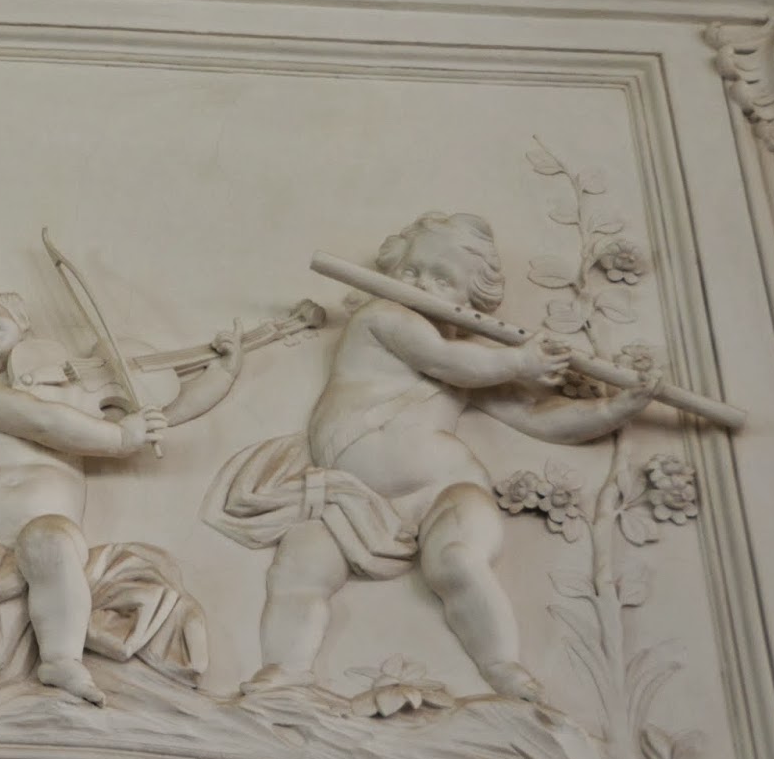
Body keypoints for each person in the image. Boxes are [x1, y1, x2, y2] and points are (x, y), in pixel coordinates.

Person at [205, 213, 660, 701]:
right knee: (299, 563)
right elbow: (444, 361)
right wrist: (518, 361)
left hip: (444, 490)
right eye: (411, 271)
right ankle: (286, 670)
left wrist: (616, 409)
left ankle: (502, 667)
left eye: (442, 280)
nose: (421, 285)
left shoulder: (474, 360)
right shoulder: (383, 319)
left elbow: (538, 418)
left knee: (459, 562)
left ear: (470, 299)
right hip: (352, 496)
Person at [0, 279, 240, 723]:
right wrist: (117, 437)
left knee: (53, 542)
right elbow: (46, 423)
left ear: (18, 313)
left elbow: (163, 415)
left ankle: (60, 659)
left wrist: (219, 376)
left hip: (38, 528)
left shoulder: (81, 395)